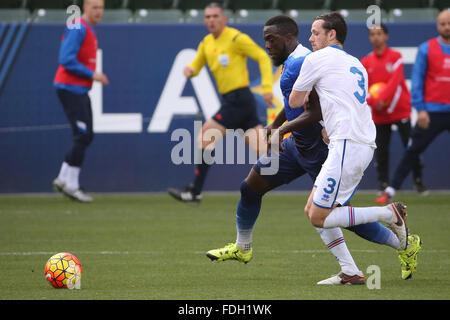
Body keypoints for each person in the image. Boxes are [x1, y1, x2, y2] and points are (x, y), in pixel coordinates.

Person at [205, 15, 421, 284]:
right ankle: (243, 247)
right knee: (251, 187)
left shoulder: (308, 61)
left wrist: (284, 129)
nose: (267, 46)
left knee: (331, 214)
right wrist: (276, 123)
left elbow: (314, 107)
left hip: (321, 148)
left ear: (288, 38)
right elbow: (296, 102)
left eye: (270, 40)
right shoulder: (306, 60)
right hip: (297, 145)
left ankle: (396, 246)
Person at [288, 12, 422, 282]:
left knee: (318, 216)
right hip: (355, 142)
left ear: (332, 34)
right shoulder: (356, 63)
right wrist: (328, 123)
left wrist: (305, 94)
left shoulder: (316, 59)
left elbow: (294, 101)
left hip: (348, 144)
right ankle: (351, 271)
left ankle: (389, 213)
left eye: (315, 32)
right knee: (312, 209)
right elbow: (344, 99)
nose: (310, 38)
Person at [167, 2, 273, 204]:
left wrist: (267, 87)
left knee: (206, 135)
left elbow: (262, 56)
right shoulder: (206, 43)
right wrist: (189, 70)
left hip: (239, 99)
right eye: (207, 17)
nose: (211, 20)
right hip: (237, 101)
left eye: (215, 16)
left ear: (224, 19)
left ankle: (194, 191)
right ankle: (312, 176)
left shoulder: (235, 38)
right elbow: (196, 64)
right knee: (265, 152)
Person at [376, 9, 450, 204]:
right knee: (412, 150)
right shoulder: (427, 48)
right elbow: (417, 80)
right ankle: (390, 190)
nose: (447, 27)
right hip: (431, 112)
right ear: (437, 25)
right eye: (443, 23)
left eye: (449, 23)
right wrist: (421, 109)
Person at [52, 0, 109, 203]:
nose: (98, 11)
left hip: (79, 89)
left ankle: (64, 179)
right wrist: (93, 74)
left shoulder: (87, 29)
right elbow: (66, 58)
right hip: (69, 87)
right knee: (82, 135)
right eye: (94, 7)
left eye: (101, 7)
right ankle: (70, 183)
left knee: (86, 135)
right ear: (84, 7)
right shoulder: (77, 25)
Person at [361, 24, 427, 194]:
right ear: (369, 38)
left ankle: (418, 182)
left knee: (411, 147)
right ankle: (383, 184)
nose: (376, 37)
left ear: (386, 36)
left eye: (379, 33)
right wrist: (375, 103)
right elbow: (362, 87)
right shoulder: (366, 62)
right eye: (372, 34)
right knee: (381, 150)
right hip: (379, 113)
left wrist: (381, 99)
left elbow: (395, 82)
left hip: (400, 110)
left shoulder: (396, 57)